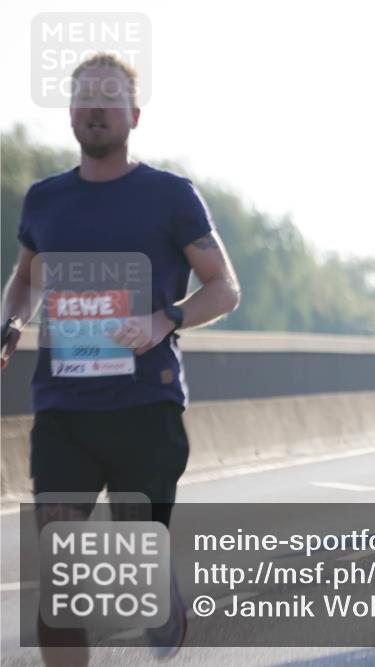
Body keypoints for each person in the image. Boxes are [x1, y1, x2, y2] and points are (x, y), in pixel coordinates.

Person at [0, 53, 241, 666]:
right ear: (71, 113)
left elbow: (224, 288)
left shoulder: (169, 196)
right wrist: (12, 321)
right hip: (64, 411)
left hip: (145, 407)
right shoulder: (45, 200)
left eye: (110, 98)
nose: (96, 107)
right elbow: (25, 280)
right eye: (85, 97)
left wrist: (166, 320)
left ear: (133, 115)